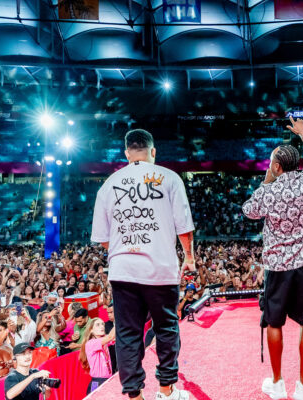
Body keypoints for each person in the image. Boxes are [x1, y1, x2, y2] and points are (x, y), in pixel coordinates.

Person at [92, 128, 195, 400]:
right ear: (153, 151)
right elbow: (184, 227)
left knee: (128, 335)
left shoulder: (108, 185)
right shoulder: (170, 178)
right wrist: (189, 257)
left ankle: (135, 396)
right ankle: (166, 391)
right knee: (166, 329)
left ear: (126, 153)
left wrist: (126, 250)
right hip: (161, 270)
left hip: (123, 272)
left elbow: (103, 238)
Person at [243, 116, 303, 400]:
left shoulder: (269, 191)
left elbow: (248, 210)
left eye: (271, 163)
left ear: (277, 167)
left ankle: (277, 384)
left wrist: (266, 181)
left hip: (277, 267)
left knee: (274, 321)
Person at [79, 318, 116, 394]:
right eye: (98, 325)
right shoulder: (91, 343)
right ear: (91, 330)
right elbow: (110, 337)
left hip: (108, 380)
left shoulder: (104, 341)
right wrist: (119, 320)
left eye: (103, 324)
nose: (102, 326)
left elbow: (113, 337)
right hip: (98, 381)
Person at [105, 302, 118, 373]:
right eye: (108, 313)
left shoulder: (125, 323)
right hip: (111, 356)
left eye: (111, 312)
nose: (109, 315)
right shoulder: (106, 325)